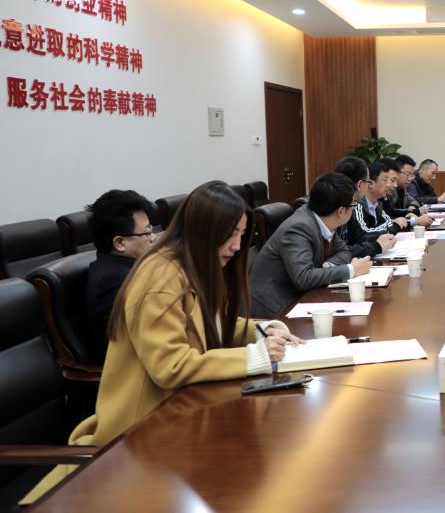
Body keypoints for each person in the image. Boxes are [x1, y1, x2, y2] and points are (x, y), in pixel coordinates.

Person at [20, 182, 305, 504]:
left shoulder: (189, 266)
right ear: (202, 230)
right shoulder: (161, 275)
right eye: (230, 234)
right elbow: (171, 366)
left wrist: (261, 330)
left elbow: (210, 325)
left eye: (241, 234)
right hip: (142, 431)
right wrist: (254, 357)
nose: (238, 246)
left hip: (182, 412)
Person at [249, 173, 372, 318]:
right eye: (352, 205)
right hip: (274, 307)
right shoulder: (298, 228)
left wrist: (326, 268)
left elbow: (344, 251)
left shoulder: (323, 220)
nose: (353, 209)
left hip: (301, 297)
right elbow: (304, 278)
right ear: (341, 211)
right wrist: (351, 270)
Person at [83, 189, 157, 364]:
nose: (153, 237)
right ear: (120, 243)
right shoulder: (114, 281)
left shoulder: (121, 267)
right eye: (147, 232)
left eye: (151, 229)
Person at [335, 156, 396, 258]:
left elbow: (342, 248)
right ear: (360, 184)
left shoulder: (344, 202)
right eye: (367, 182)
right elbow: (337, 252)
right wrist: (376, 246)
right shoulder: (346, 206)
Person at [348, 160, 406, 244]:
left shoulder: (378, 204)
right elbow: (364, 235)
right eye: (385, 180)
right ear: (370, 183)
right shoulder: (357, 204)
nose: (389, 185)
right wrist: (395, 225)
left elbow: (389, 222)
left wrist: (393, 224)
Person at [380, 158, 431, 227]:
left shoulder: (402, 188)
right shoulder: (388, 190)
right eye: (407, 174)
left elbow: (413, 200)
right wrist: (414, 220)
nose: (410, 179)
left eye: (411, 175)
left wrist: (412, 211)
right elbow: (387, 220)